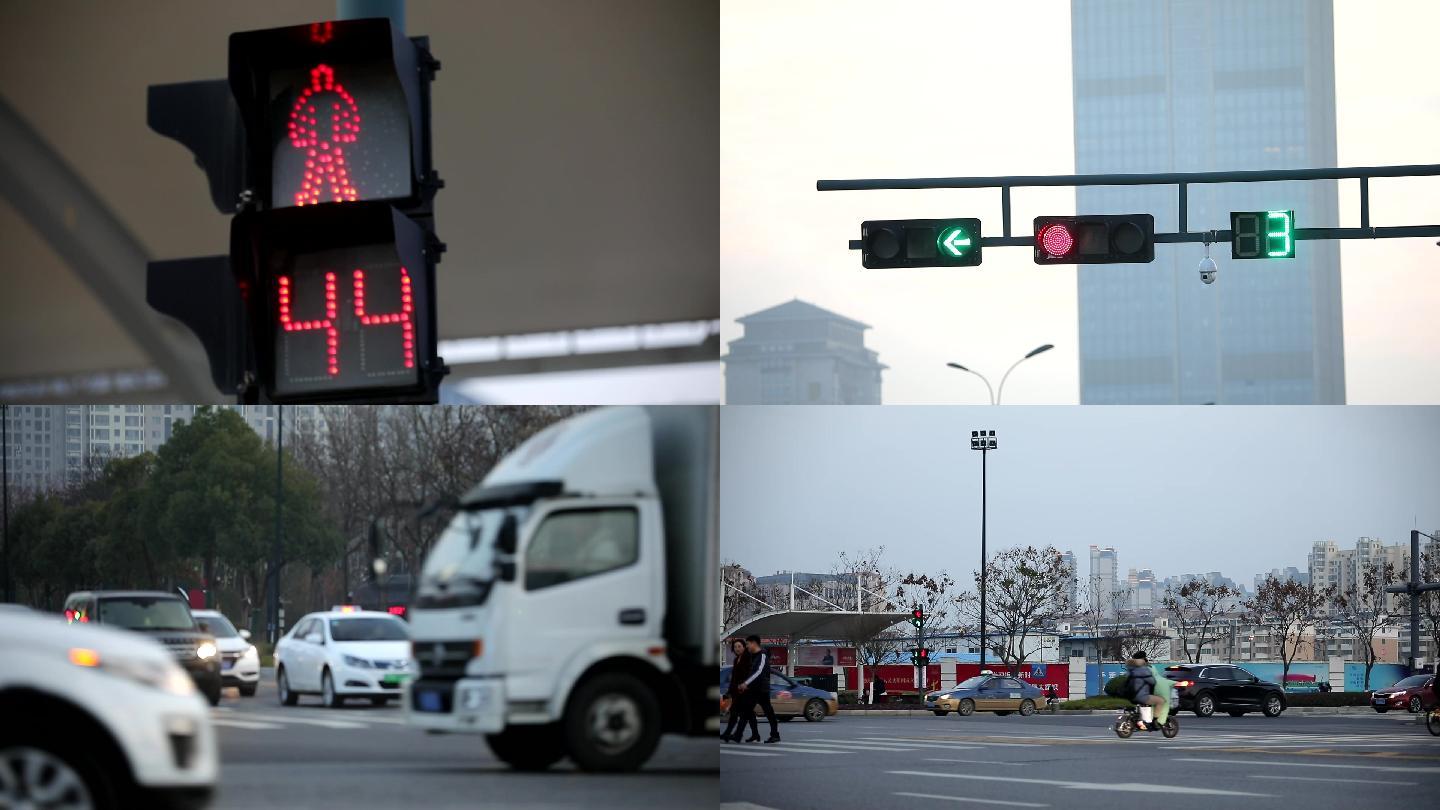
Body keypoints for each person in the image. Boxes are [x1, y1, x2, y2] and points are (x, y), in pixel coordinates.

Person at [734, 635, 780, 743]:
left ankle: (774, 735)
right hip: (753, 688)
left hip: (761, 689)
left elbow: (759, 671)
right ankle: (754, 734)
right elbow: (750, 671)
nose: (747, 646)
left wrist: (746, 683)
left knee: (767, 712)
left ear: (754, 643)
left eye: (748, 644)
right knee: (748, 711)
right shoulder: (753, 656)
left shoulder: (762, 655)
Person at [722, 639, 761, 743]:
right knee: (745, 713)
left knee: (743, 713)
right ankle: (755, 734)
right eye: (735, 647)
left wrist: (746, 685)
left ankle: (736, 735)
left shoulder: (749, 658)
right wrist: (729, 692)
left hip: (748, 691)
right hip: (737, 691)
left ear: (744, 647)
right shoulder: (736, 660)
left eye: (739, 646)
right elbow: (734, 677)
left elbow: (751, 674)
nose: (737, 649)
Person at [1125, 650, 1167, 730]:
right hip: (1141, 696)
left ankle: (1140, 721)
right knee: (1160, 701)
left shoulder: (1130, 670)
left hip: (1129, 695)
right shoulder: (1144, 669)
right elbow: (1152, 682)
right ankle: (1155, 722)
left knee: (1144, 704)